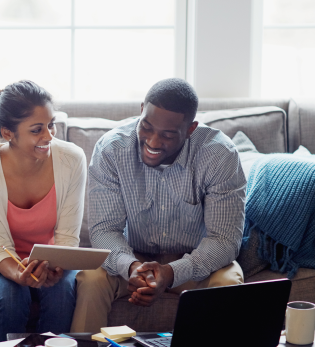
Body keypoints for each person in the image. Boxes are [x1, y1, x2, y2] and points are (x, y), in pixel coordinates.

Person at [71, 78, 246, 333]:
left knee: (229, 281)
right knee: (91, 277)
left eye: (167, 134)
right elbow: (104, 230)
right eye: (147, 127)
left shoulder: (220, 156)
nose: (153, 142)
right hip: (133, 258)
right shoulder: (111, 150)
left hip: (194, 263)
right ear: (142, 109)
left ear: (190, 129)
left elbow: (224, 240)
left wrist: (171, 273)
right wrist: (130, 267)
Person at [0, 80, 87, 347]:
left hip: (52, 259)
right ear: (8, 133)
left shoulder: (72, 159)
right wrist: (19, 274)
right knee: (11, 294)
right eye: (37, 129)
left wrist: (56, 265)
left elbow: (68, 238)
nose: (49, 136)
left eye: (51, 125)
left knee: (61, 292)